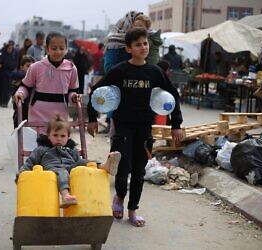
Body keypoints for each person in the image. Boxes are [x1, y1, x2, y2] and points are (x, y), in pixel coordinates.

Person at [87, 27, 184, 227]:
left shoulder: (154, 71)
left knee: (139, 170)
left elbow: (173, 94)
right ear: (129, 49)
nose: (143, 47)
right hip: (122, 126)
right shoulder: (120, 70)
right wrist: (92, 119)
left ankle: (132, 210)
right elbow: (97, 91)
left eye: (145, 43)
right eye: (138, 44)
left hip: (144, 128)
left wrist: (176, 125)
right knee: (123, 167)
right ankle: (120, 197)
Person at [17, 114, 121, 207]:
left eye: (62, 136)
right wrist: (21, 174)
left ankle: (104, 166)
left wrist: (85, 163)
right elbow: (30, 162)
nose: (59, 139)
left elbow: (78, 161)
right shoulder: (42, 149)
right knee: (62, 172)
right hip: (52, 169)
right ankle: (65, 195)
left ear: (68, 137)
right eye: (55, 135)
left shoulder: (70, 149)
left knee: (85, 162)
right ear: (48, 135)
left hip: (71, 166)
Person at [13, 32, 81, 134]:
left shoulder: (71, 68)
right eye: (54, 48)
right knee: (38, 145)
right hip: (38, 114)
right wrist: (20, 93)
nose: (58, 52)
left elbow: (72, 90)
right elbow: (25, 86)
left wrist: (74, 97)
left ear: (66, 49)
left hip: (60, 114)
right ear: (47, 48)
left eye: (62, 48)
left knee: (58, 144)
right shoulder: (36, 67)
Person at [12, 55, 35, 128]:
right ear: (22, 67)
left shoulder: (38, 81)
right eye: (28, 66)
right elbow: (15, 102)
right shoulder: (19, 82)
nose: (31, 68)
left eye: (33, 66)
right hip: (22, 114)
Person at [0, 43, 17, 107]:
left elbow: (13, 65)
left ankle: (5, 102)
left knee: (7, 89)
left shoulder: (12, 56)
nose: (10, 50)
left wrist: (4, 65)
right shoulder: (2, 55)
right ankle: (1, 101)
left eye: (11, 48)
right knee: (0, 89)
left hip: (9, 75)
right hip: (1, 75)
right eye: (9, 48)